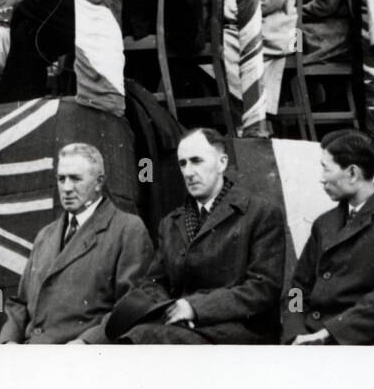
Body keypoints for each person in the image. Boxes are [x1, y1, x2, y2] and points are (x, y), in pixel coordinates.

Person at [110, 130, 285, 344]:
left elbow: (263, 288)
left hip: (240, 331)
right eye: (183, 164)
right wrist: (167, 308)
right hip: (180, 325)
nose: (188, 172)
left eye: (196, 161)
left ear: (222, 163)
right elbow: (154, 282)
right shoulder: (170, 223)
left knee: (146, 341)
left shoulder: (260, 213)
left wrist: (195, 308)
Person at [0, 144, 154, 345]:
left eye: (75, 179)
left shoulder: (127, 229)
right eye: (61, 179)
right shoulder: (45, 235)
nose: (67, 188)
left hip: (84, 359)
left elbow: (134, 305)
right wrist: (8, 341)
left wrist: (88, 342)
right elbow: (20, 303)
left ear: (99, 182)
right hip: (31, 355)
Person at [283, 131, 374, 345]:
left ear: (352, 173)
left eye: (326, 168)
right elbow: (297, 288)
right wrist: (295, 330)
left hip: (367, 347)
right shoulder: (324, 224)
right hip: (312, 340)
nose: (321, 178)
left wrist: (327, 335)